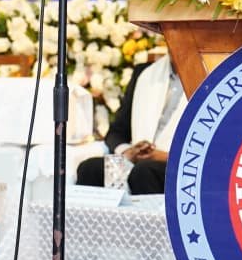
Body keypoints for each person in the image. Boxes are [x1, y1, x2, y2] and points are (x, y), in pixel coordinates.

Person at [76, 56, 186, 195]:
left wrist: (163, 156)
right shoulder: (145, 72)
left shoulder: (206, 74)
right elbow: (117, 132)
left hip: (181, 165)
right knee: (90, 168)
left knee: (144, 172)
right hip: (136, 161)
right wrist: (129, 152)